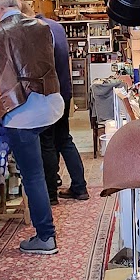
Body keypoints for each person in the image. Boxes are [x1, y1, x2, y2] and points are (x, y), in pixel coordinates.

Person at [0, 0, 64, 256]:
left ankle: (46, 237)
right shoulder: (43, 28)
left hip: (22, 114)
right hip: (51, 107)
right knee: (40, 169)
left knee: (33, 176)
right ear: (17, 6)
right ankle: (45, 226)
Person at [40, 11, 89, 201]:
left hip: (49, 95)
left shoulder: (39, 30)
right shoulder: (56, 26)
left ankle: (51, 193)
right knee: (64, 140)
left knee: (48, 144)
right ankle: (79, 187)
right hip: (63, 92)